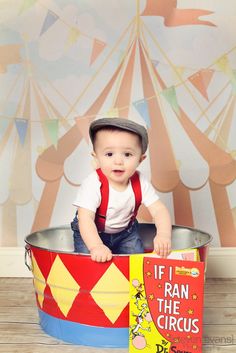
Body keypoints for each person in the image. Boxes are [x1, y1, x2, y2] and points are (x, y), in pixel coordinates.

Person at [71, 117, 172, 262]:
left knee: (136, 264)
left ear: (140, 159)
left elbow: (159, 210)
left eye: (127, 154)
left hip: (126, 233)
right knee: (88, 263)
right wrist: (96, 246)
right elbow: (85, 218)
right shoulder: (93, 183)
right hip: (91, 232)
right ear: (97, 157)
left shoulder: (140, 182)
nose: (118, 161)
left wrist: (163, 234)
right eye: (109, 154)